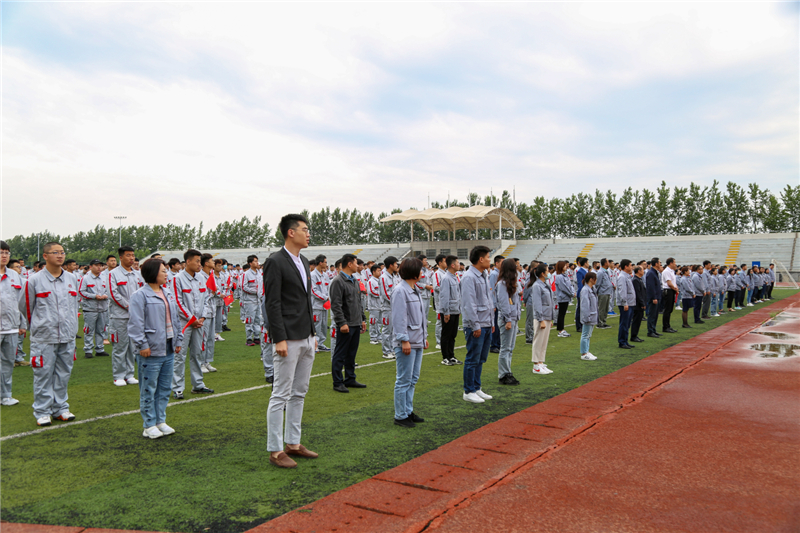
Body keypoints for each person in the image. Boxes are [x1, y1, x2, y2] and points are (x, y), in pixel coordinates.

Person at [263, 214, 319, 469]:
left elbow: (305, 301)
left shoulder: (304, 260)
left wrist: (313, 334)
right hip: (287, 338)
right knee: (281, 394)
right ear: (291, 232)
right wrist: (279, 338)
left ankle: (293, 443)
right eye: (305, 229)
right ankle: (275, 450)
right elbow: (272, 303)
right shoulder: (275, 261)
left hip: (306, 336)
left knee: (299, 392)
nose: (308, 234)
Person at [19, 242, 79, 426]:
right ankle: (42, 411)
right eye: (55, 252)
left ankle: (60, 408)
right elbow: (25, 307)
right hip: (44, 337)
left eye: (62, 252)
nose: (60, 256)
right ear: (45, 256)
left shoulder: (72, 278)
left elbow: (74, 305)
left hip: (67, 335)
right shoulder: (34, 280)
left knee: (63, 373)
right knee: (43, 374)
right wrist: (39, 326)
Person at [128, 259, 182, 439]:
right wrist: (142, 345)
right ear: (152, 273)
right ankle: (149, 424)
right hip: (151, 348)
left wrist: (178, 339)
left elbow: (175, 319)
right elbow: (135, 324)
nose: (166, 274)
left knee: (164, 387)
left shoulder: (167, 293)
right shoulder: (140, 295)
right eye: (163, 271)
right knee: (148, 388)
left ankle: (160, 421)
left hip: (168, 346)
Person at [171, 249, 214, 398]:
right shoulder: (177, 279)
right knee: (180, 355)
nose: (199, 264)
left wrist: (202, 317)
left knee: (197, 354)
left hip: (199, 323)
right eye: (196, 261)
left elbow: (207, 299)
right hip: (183, 324)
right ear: (188, 262)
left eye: (200, 261)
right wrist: (191, 319)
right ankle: (177, 387)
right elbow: (177, 302)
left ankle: (198, 384)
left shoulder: (201, 278)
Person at [392, 257, 429, 427]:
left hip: (417, 340)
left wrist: (424, 337)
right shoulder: (400, 291)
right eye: (420, 270)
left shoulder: (414, 289)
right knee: (404, 380)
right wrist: (404, 340)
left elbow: (420, 317)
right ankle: (400, 415)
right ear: (414, 273)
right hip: (407, 342)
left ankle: (408, 410)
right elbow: (399, 317)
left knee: (413, 378)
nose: (422, 273)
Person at [460, 246, 495, 403]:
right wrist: (475, 325)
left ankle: (476, 387)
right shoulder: (469, 277)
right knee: (473, 358)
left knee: (481, 358)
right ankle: (468, 391)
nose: (489, 260)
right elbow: (469, 304)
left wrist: (491, 321)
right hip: (476, 324)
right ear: (481, 259)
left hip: (486, 322)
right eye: (488, 257)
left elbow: (488, 300)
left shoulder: (484, 275)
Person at [329, 254, 367, 393]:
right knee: (340, 354)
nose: (358, 266)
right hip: (346, 324)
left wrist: (362, 319)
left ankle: (350, 378)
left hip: (356, 322)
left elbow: (358, 302)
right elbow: (336, 305)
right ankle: (337, 382)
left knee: (351, 353)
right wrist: (342, 322)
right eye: (356, 263)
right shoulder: (338, 281)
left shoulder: (354, 280)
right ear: (349, 264)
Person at [108, 246, 142, 387]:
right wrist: (129, 306)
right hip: (119, 316)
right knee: (120, 346)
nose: (132, 258)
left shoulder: (137, 274)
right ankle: (119, 375)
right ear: (121, 257)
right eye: (128, 255)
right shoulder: (113, 274)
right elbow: (113, 294)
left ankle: (129, 374)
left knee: (132, 346)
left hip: (134, 316)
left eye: (133, 255)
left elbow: (142, 292)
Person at [0, 241, 25, 406]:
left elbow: (20, 302)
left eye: (6, 253)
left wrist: (22, 324)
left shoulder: (15, 276)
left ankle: (6, 395)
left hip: (11, 327)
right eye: (1, 252)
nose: (4, 256)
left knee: (8, 362)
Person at [496, 258, 521, 386]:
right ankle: (503, 374)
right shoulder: (502, 284)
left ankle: (508, 372)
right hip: (507, 319)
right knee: (505, 348)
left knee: (510, 348)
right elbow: (504, 303)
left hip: (513, 317)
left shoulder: (511, 282)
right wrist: (508, 319)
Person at [78, 259, 110, 358]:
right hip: (90, 308)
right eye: (96, 265)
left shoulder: (104, 278)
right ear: (91, 267)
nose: (99, 267)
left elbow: (109, 290)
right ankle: (88, 350)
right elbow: (81, 291)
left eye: (100, 265)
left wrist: (105, 295)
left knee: (101, 329)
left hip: (103, 308)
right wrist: (94, 296)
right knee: (89, 330)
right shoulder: (86, 278)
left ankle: (100, 349)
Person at [438, 255, 463, 366]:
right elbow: (444, 297)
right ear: (452, 265)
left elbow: (458, 294)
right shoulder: (446, 278)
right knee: (446, 334)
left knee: (453, 334)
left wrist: (459, 309)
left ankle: (451, 355)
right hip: (449, 311)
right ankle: (445, 357)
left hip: (455, 310)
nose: (459, 264)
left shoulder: (455, 277)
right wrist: (446, 312)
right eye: (457, 263)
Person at [197, 254, 219, 374]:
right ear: (206, 263)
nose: (213, 262)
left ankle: (207, 361)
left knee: (211, 338)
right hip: (204, 312)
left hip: (212, 310)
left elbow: (215, 289)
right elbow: (202, 295)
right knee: (203, 338)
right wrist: (212, 293)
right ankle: (200, 362)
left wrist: (216, 292)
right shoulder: (200, 276)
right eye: (211, 261)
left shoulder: (211, 275)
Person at [530, 263, 554, 374]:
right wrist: (541, 319)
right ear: (542, 273)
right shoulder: (537, 285)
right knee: (538, 341)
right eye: (547, 271)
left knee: (544, 342)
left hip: (547, 316)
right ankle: (536, 365)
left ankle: (540, 362)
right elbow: (537, 304)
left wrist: (550, 318)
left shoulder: (545, 284)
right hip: (541, 317)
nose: (549, 273)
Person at [379, 256, 400, 360]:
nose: (397, 266)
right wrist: (396, 302)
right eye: (395, 264)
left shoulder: (394, 277)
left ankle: (392, 349)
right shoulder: (383, 277)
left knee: (393, 330)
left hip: (395, 307)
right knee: (387, 330)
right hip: (387, 308)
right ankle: (386, 351)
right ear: (391, 265)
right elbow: (385, 294)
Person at [310, 255, 331, 353]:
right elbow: (313, 291)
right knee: (316, 326)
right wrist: (325, 297)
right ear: (320, 263)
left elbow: (328, 288)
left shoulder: (325, 275)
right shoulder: (312, 275)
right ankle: (314, 345)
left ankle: (321, 344)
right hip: (316, 306)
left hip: (324, 306)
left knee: (323, 325)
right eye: (325, 262)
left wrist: (328, 297)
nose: (326, 264)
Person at [242, 255, 262, 346]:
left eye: (257, 261)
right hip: (250, 300)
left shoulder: (260, 273)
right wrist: (256, 291)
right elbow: (244, 287)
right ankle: (249, 338)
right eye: (255, 261)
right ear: (250, 263)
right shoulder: (246, 274)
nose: (257, 263)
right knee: (250, 319)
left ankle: (257, 336)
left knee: (258, 319)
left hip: (258, 300)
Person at [616, 259, 636, 349]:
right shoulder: (622, 277)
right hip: (626, 304)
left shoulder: (627, 276)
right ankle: (622, 342)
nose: (632, 267)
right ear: (626, 266)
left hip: (630, 303)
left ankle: (625, 340)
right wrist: (625, 303)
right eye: (630, 265)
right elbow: (622, 291)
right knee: (624, 323)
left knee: (627, 323)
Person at [579, 272, 598, 361]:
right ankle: (584, 353)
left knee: (588, 335)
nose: (596, 280)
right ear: (591, 279)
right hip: (588, 316)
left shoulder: (592, 289)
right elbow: (585, 305)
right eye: (595, 278)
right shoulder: (585, 290)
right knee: (585, 335)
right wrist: (587, 317)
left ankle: (586, 350)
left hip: (592, 315)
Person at [488, 255, 504, 354]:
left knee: (499, 325)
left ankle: (498, 344)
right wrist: (493, 304)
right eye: (502, 262)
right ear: (497, 263)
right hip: (496, 303)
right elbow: (492, 290)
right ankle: (494, 345)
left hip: (499, 303)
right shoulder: (494, 274)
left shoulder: (500, 273)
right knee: (495, 325)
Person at [554, 260, 574, 338]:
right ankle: (561, 330)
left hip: (566, 297)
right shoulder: (559, 276)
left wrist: (572, 292)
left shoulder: (565, 275)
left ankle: (561, 329)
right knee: (561, 314)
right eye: (565, 265)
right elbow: (563, 287)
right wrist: (571, 293)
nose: (566, 266)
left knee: (563, 313)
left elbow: (570, 285)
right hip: (562, 297)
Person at [645, 258, 663, 338]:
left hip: (657, 296)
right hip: (653, 297)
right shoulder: (651, 273)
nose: (660, 264)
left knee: (655, 315)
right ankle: (650, 331)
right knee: (652, 315)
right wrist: (654, 297)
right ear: (656, 264)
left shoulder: (655, 272)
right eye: (659, 262)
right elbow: (651, 286)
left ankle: (653, 329)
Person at [629, 266, 647, 343]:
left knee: (638, 320)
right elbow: (638, 293)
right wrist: (642, 303)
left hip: (640, 303)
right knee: (636, 320)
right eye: (642, 270)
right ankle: (633, 336)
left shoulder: (639, 279)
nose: (643, 271)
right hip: (637, 304)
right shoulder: (635, 280)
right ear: (639, 271)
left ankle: (635, 335)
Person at [661, 258, 678, 333]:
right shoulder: (666, 271)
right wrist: (675, 289)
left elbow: (673, 282)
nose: (675, 264)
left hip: (672, 290)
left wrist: (676, 287)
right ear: (671, 263)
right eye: (674, 262)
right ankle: (665, 327)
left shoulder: (672, 271)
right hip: (668, 290)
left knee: (670, 309)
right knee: (667, 310)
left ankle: (668, 325)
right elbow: (669, 283)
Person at [366, 264, 382, 344]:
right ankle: (373, 337)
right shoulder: (371, 281)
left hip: (380, 304)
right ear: (373, 272)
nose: (380, 272)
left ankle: (378, 336)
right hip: (373, 305)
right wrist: (381, 294)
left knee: (379, 322)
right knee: (373, 321)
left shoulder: (380, 280)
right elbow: (371, 292)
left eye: (380, 271)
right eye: (378, 271)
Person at [595, 259, 613, 329]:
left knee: (606, 309)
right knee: (602, 308)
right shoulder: (600, 272)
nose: (609, 263)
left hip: (607, 292)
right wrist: (597, 292)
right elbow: (597, 283)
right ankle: (600, 323)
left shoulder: (605, 271)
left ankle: (604, 322)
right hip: (603, 292)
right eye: (608, 262)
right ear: (605, 263)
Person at [574, 257, 588, 332]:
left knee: (584, 309)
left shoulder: (586, 271)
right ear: (585, 263)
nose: (588, 264)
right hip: (582, 293)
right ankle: (579, 326)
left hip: (587, 292)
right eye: (587, 262)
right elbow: (580, 283)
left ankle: (583, 324)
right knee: (580, 309)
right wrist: (583, 292)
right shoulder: (580, 271)